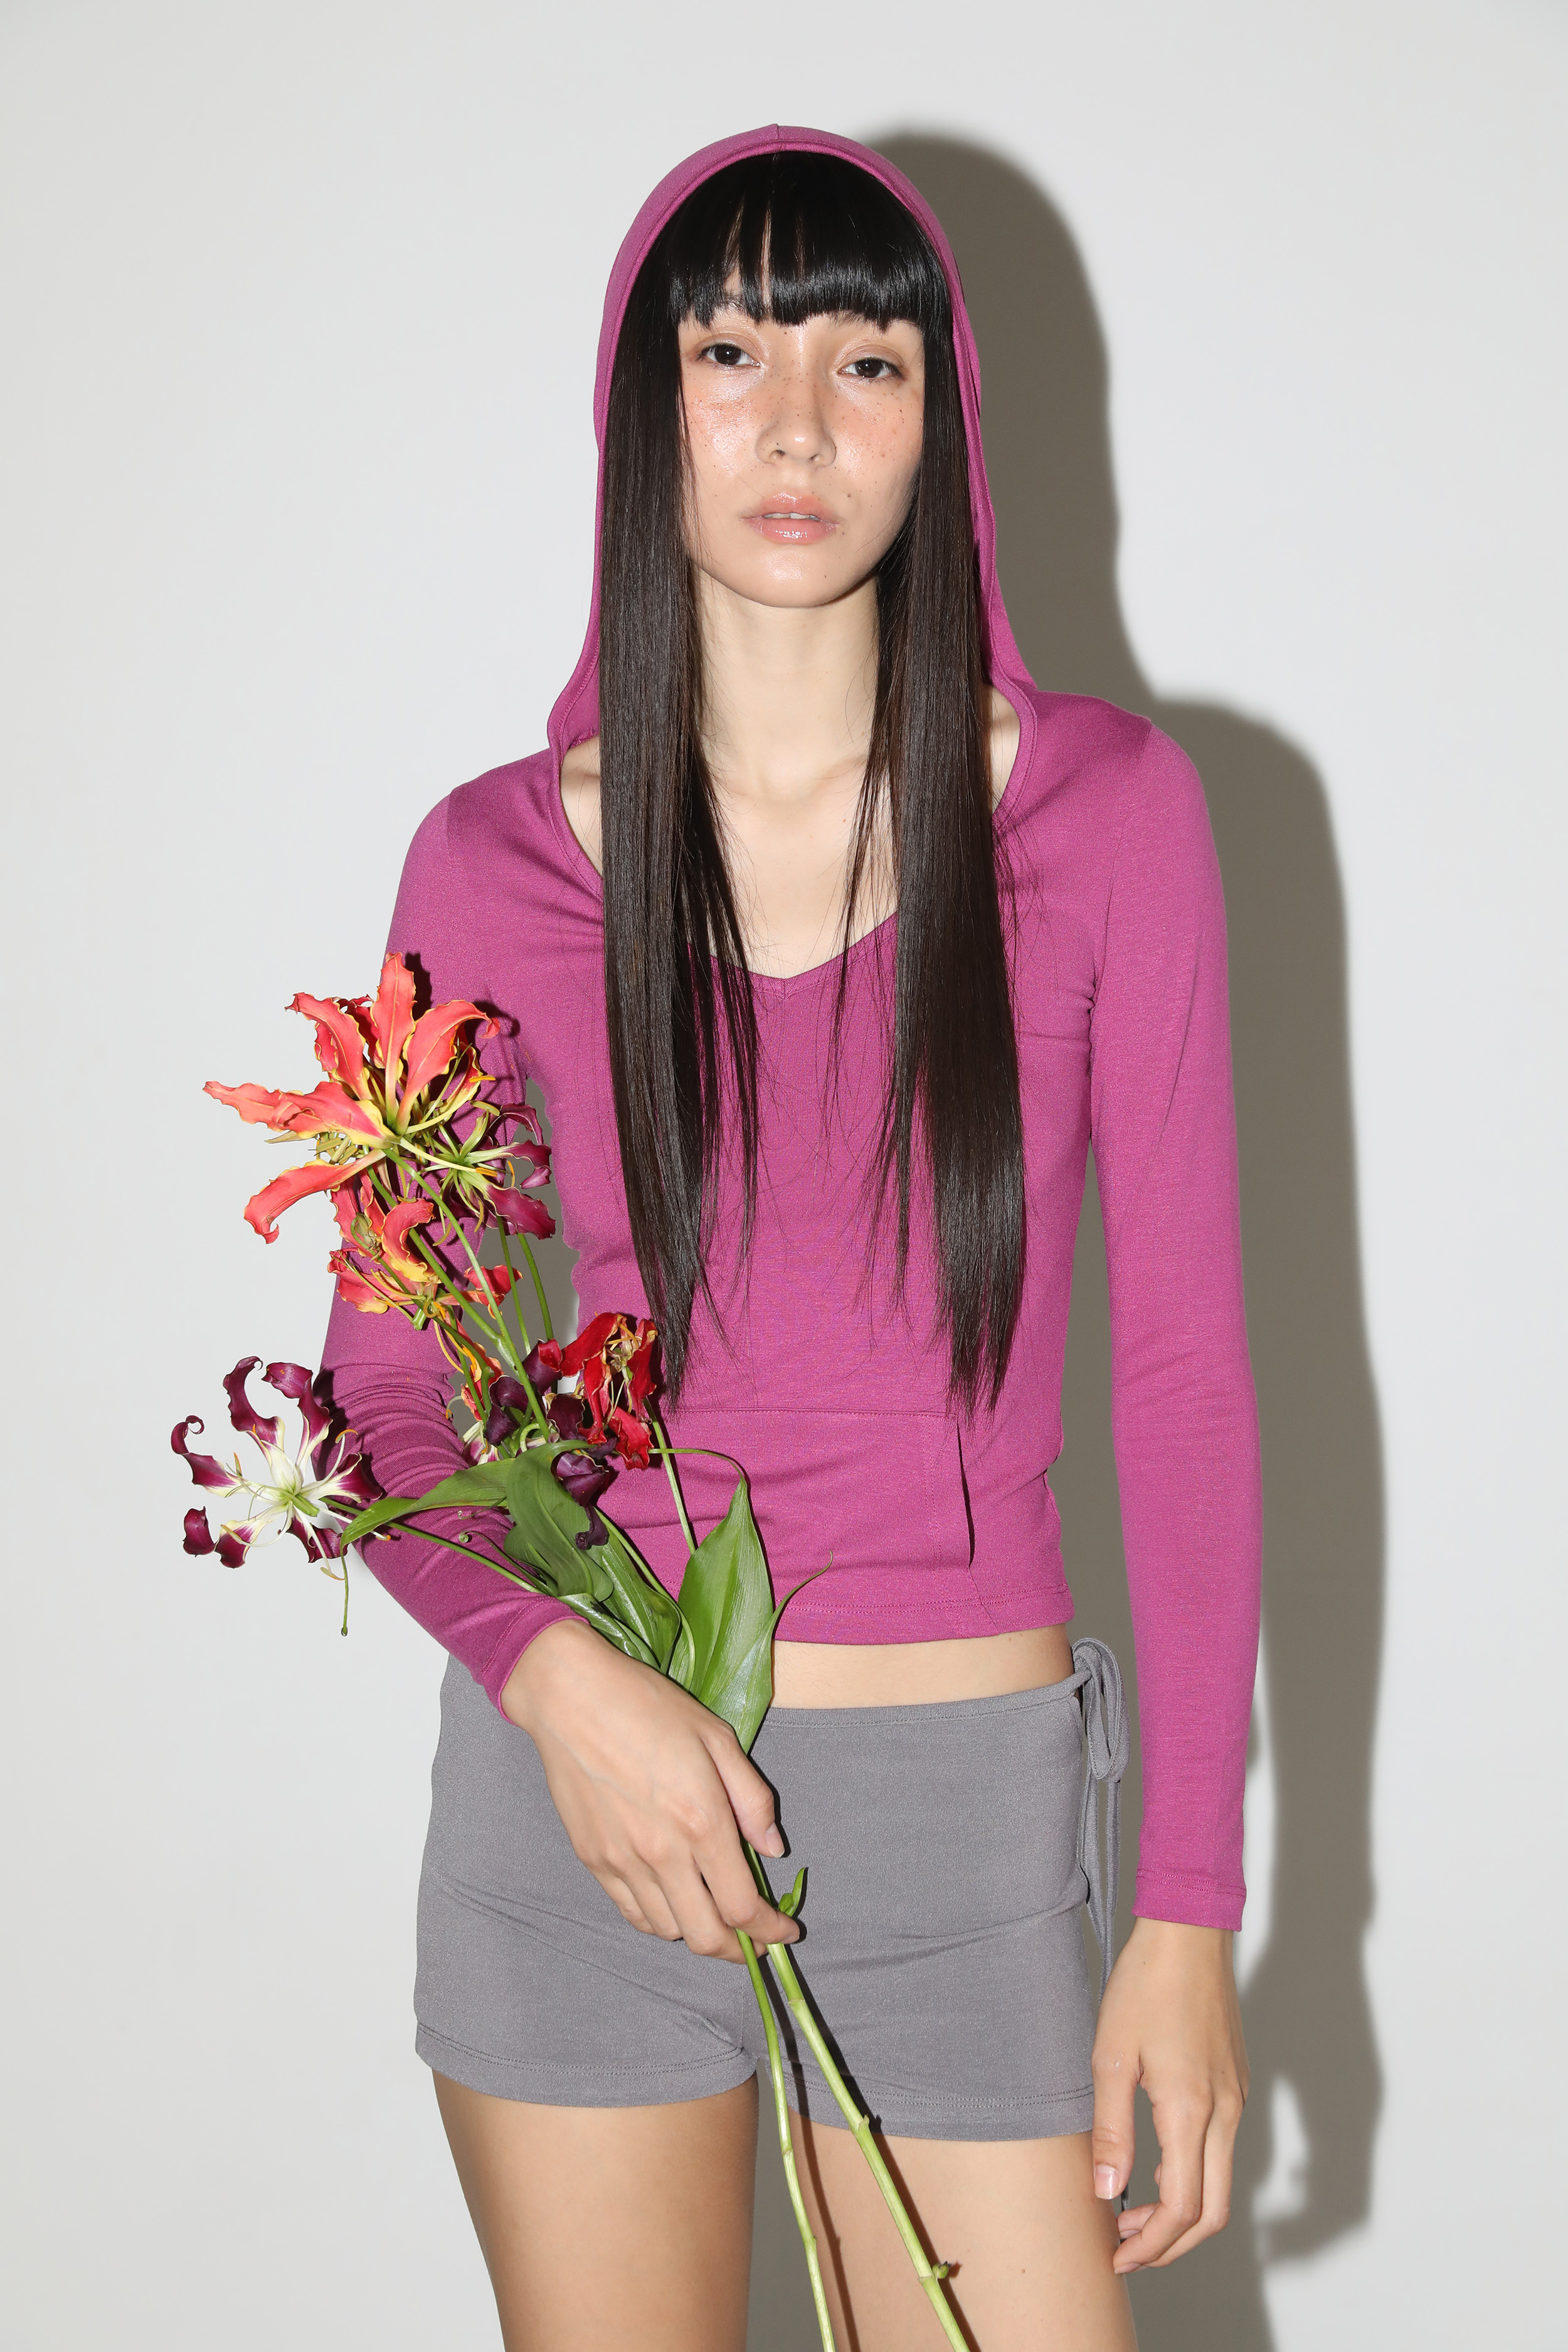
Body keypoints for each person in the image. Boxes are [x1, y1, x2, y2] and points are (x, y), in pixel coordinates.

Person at [322, 126, 1259, 2352]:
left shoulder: (1108, 817)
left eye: (868, 362)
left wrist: (1187, 1915)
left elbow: (1183, 1382)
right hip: (587, 1806)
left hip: (958, 1820)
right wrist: (562, 1688)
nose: (797, 425)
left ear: (943, 426)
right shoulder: (485, 869)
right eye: (730, 353)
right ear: (640, 407)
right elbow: (380, 1396)